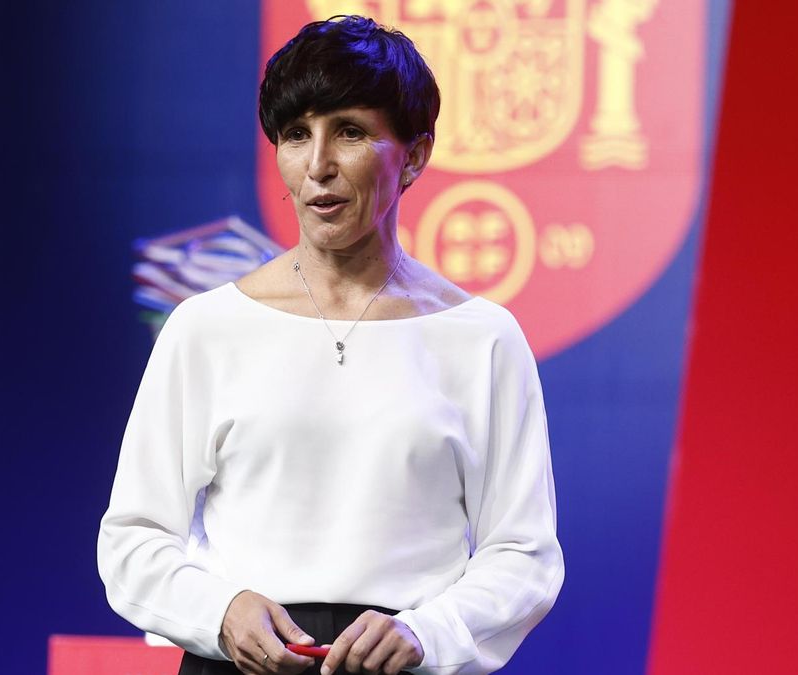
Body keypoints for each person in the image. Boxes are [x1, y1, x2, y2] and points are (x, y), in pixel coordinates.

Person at [98, 15, 564, 675]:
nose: (317, 165)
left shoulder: (482, 338)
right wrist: (221, 609)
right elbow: (133, 539)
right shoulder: (207, 327)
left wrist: (429, 631)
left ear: (415, 153)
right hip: (242, 662)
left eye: (348, 132)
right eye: (295, 135)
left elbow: (524, 553)